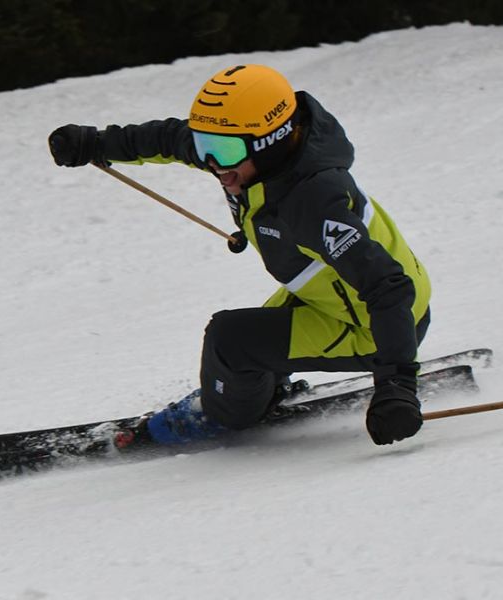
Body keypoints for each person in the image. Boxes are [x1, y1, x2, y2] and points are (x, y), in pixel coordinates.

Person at [47, 64, 431, 446]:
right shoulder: (245, 153)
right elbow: (169, 139)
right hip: (330, 296)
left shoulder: (312, 201)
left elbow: (388, 287)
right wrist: (96, 144)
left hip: (377, 325)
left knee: (228, 341)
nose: (213, 165)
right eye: (204, 145)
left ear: (273, 139)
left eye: (224, 150)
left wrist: (396, 385)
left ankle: (225, 415)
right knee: (251, 338)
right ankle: (260, 388)